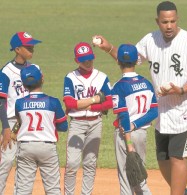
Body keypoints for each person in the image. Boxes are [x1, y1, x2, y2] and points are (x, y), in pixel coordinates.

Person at [93, 1, 187, 194]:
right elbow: (129, 59)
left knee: (177, 157)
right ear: (157, 21)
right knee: (163, 159)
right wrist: (109, 48)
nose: (169, 26)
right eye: (165, 22)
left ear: (177, 20)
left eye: (173, 21)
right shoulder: (150, 40)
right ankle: (183, 191)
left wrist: (181, 90)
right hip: (163, 111)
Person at [63, 42, 113, 195]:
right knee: (72, 163)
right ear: (76, 60)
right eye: (83, 59)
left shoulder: (102, 77)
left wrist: (90, 107)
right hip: (77, 123)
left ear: (94, 56)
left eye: (89, 58)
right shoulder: (70, 77)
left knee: (90, 163)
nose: (87, 61)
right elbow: (69, 103)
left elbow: (111, 102)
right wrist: (95, 100)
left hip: (95, 123)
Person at [13, 65, 68, 194]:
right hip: (47, 148)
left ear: (24, 85)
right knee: (53, 189)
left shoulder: (19, 103)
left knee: (23, 190)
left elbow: (20, 123)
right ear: (42, 79)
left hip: (26, 147)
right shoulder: (53, 102)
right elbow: (64, 127)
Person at [112, 44, 158, 194]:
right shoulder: (146, 83)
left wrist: (128, 140)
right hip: (141, 134)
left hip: (126, 135)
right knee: (139, 176)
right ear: (136, 60)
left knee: (126, 178)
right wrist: (136, 124)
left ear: (118, 61)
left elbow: (124, 115)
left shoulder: (119, 86)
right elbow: (154, 111)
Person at [0, 31, 41, 194]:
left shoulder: (36, 68)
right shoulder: (6, 71)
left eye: (32, 44)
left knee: (25, 164)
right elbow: (1, 101)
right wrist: (6, 128)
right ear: (17, 49)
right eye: (28, 46)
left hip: (30, 122)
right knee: (7, 161)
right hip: (11, 120)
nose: (32, 48)